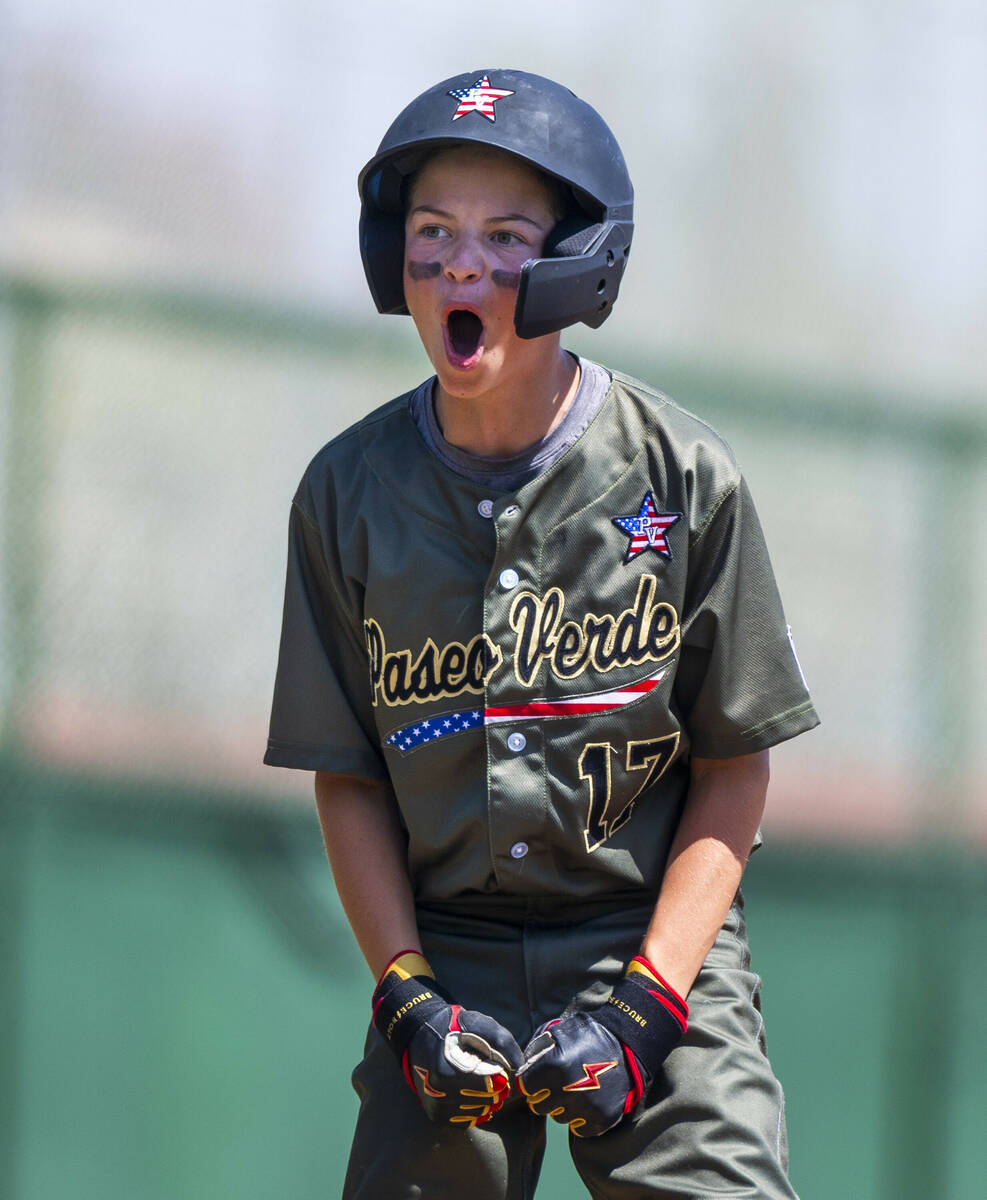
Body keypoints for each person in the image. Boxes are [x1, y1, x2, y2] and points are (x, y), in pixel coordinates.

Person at [264, 69, 819, 1200]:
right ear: (393, 259)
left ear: (581, 263)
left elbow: (733, 767)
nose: (461, 265)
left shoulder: (683, 478)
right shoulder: (347, 494)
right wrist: (405, 996)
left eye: (506, 236)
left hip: (647, 935)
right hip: (445, 944)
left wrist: (649, 1006)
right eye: (432, 233)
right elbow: (352, 780)